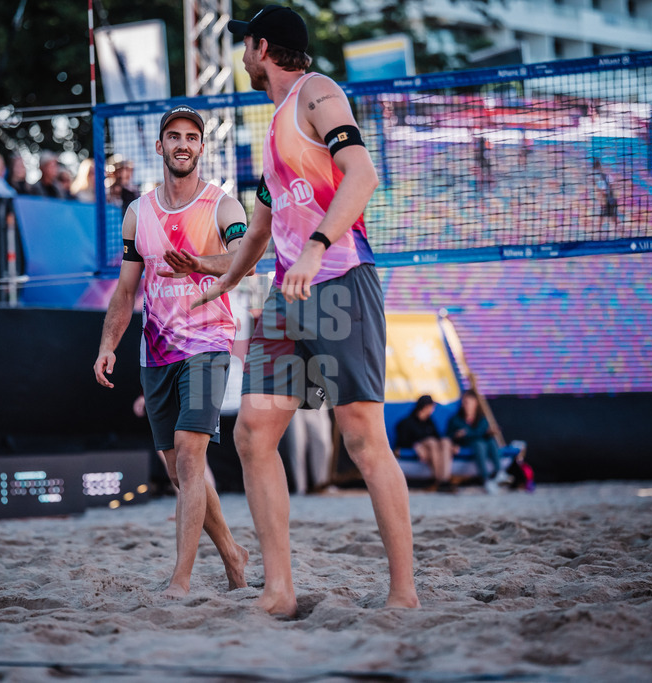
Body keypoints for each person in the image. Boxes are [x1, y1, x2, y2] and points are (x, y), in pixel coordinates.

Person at [193, 4, 420, 616]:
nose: (241, 56)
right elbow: (259, 235)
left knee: (363, 439)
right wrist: (218, 277)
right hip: (287, 295)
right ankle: (279, 590)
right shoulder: (271, 132)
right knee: (252, 432)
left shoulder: (316, 93)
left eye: (245, 46)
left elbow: (362, 173)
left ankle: (404, 594)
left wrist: (317, 248)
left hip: (339, 279)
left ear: (262, 48)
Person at [93, 105, 250, 598]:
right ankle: (232, 553)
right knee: (181, 473)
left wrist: (201, 264)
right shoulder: (137, 213)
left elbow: (245, 258)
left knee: (189, 453)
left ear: (201, 148)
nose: (182, 144)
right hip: (155, 350)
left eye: (191, 137)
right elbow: (124, 292)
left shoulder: (223, 206)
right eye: (173, 136)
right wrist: (108, 345)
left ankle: (180, 580)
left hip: (208, 341)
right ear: (160, 147)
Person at [447, 389, 504, 494]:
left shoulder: (481, 419)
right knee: (480, 444)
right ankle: (486, 479)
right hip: (464, 446)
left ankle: (499, 472)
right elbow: (448, 437)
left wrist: (469, 433)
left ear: (475, 403)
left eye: (468, 402)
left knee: (490, 441)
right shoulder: (455, 419)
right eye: (464, 402)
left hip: (480, 445)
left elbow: (479, 433)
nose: (465, 405)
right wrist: (456, 439)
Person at [394, 395, 455, 492]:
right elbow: (402, 442)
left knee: (446, 442)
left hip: (430, 451)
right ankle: (441, 480)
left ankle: (444, 479)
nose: (433, 409)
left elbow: (438, 437)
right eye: (432, 406)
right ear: (426, 407)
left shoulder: (429, 421)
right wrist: (416, 446)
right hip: (420, 449)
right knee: (431, 443)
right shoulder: (407, 422)